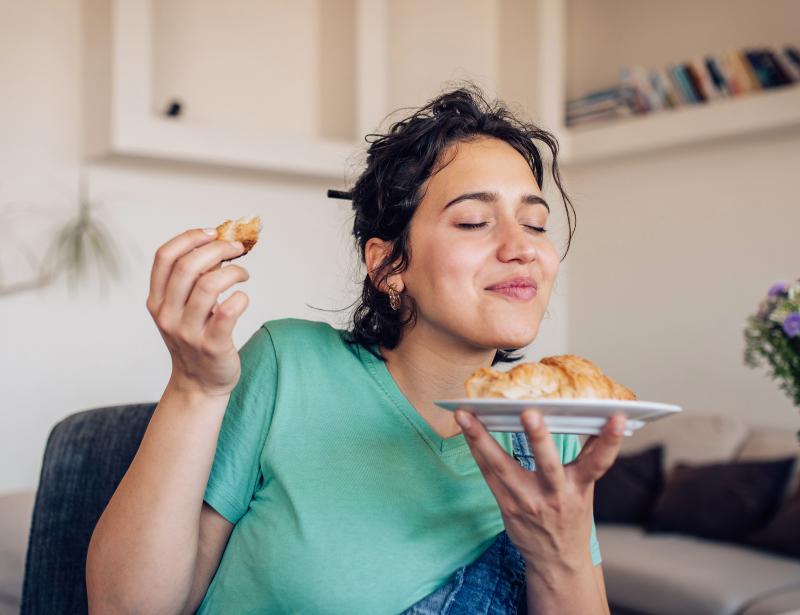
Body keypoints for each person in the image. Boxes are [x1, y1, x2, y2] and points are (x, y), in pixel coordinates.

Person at [86, 84, 626, 614]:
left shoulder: (552, 425)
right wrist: (194, 388)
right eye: (473, 221)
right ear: (389, 265)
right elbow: (124, 608)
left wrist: (562, 557)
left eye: (535, 223)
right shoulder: (289, 365)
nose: (523, 248)